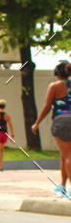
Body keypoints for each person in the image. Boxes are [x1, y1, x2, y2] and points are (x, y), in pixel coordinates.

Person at [32, 60, 71, 197]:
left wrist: (37, 123)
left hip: (61, 121)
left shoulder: (54, 86)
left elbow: (47, 106)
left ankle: (69, 189)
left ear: (57, 73)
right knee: (64, 155)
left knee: (68, 156)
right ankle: (62, 185)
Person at [0, 99, 14, 171]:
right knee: (1, 151)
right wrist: (12, 135)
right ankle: (1, 166)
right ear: (4, 107)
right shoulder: (7, 116)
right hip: (4, 134)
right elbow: (11, 125)